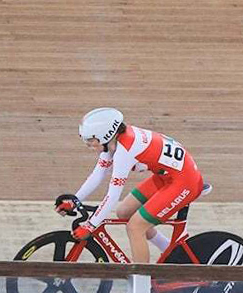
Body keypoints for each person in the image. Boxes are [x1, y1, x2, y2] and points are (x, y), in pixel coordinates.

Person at [59, 107, 204, 264]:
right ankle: (171, 252)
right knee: (124, 212)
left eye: (90, 140)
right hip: (168, 176)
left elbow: (113, 196)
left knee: (135, 227)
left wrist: (90, 225)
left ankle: (142, 282)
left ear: (104, 136)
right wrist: (75, 200)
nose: (88, 145)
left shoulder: (124, 151)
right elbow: (98, 175)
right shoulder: (114, 142)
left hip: (184, 182)